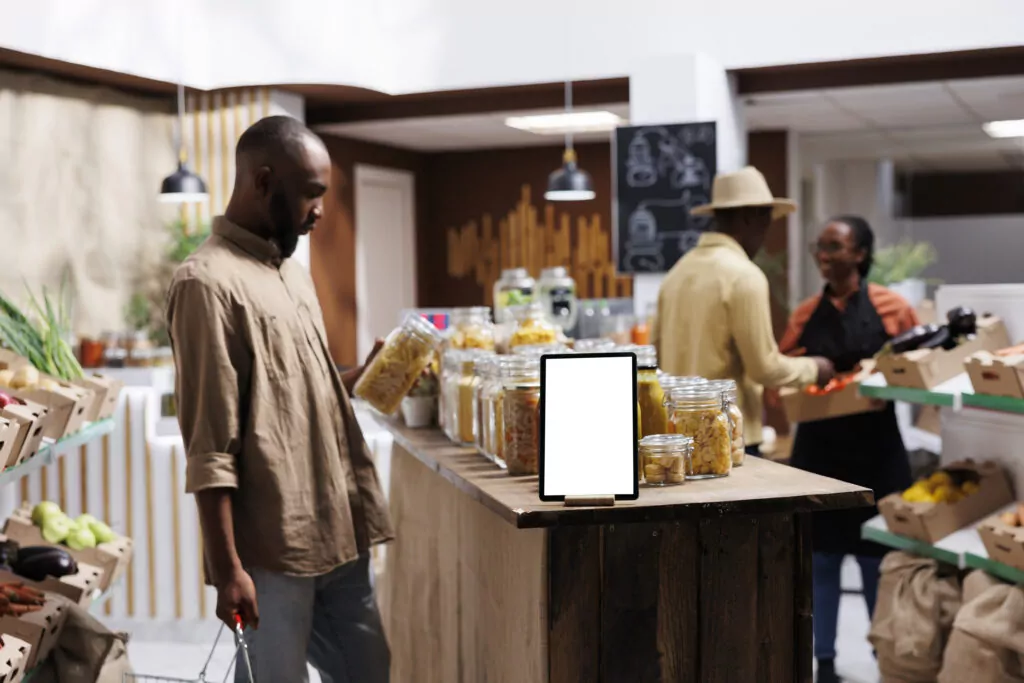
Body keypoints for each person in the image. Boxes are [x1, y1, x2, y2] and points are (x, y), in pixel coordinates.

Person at [166, 115, 393, 683]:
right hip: (272, 548)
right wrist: (227, 570)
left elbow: (294, 392)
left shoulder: (291, 273)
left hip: (339, 524)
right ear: (264, 183)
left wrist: (361, 375)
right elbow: (209, 444)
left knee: (371, 669)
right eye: (311, 195)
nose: (320, 210)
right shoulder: (206, 283)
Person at [780, 216, 917, 683]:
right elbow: (785, 374)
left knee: (877, 558)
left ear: (860, 253)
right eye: (820, 246)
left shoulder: (893, 307)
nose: (824, 254)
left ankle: (886, 661)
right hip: (818, 453)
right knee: (821, 559)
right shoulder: (803, 315)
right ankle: (823, 662)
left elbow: (916, 370)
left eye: (834, 247)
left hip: (877, 449)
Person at [652, 166, 834, 455]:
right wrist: (816, 368)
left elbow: (656, 355)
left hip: (679, 436)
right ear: (750, 217)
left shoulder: (676, 273)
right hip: (727, 438)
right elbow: (765, 367)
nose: (765, 232)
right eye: (766, 220)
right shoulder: (743, 276)